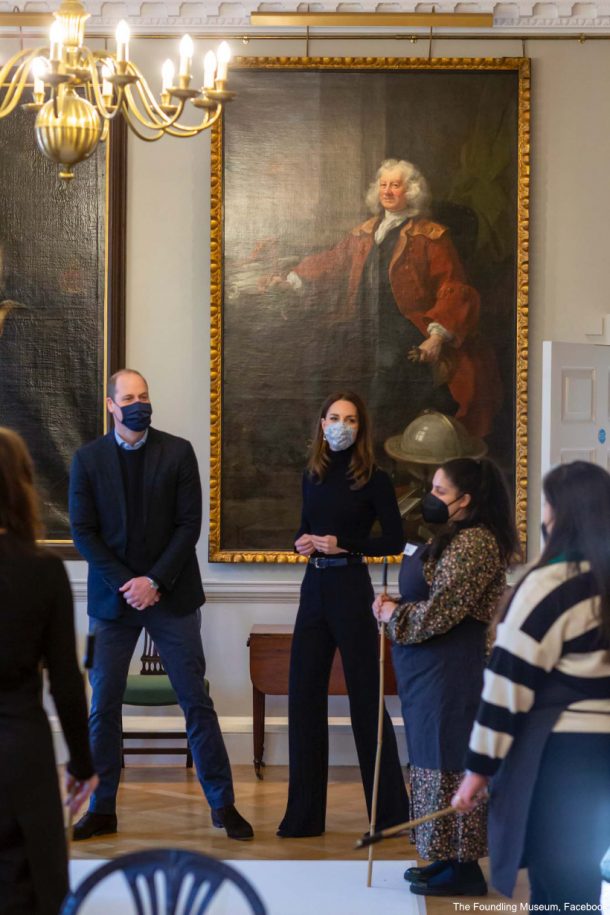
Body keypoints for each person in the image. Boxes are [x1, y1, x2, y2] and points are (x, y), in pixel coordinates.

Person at [68, 369, 253, 841]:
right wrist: (128, 583)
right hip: (111, 604)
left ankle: (223, 805)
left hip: (172, 597)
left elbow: (188, 526)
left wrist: (153, 581)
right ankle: (101, 807)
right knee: (102, 704)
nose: (138, 404)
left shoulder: (178, 451)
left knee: (196, 699)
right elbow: (83, 534)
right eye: (128, 397)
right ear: (111, 405)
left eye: (143, 396)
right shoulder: (87, 460)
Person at [453, 461, 610, 905]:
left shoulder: (550, 585)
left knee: (560, 889)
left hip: (564, 759)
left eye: (544, 503)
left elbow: (507, 685)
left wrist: (477, 771)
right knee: (588, 884)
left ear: (559, 513)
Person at [271, 159, 501, 441]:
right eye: (383, 185)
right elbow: (333, 260)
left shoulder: (430, 236)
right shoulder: (365, 232)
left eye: (395, 185)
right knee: (316, 355)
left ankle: (375, 447)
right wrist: (294, 277)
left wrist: (437, 336)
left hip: (408, 326)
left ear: (411, 191)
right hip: (359, 322)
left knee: (387, 366)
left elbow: (453, 287)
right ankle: (323, 439)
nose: (388, 191)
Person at [373, 457, 519, 897]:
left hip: (456, 672)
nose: (431, 498)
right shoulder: (453, 536)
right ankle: (442, 857)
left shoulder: (476, 543)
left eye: (440, 491)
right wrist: (396, 603)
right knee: (432, 762)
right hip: (429, 672)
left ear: (465, 501)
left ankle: (464, 867)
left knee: (451, 763)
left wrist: (393, 614)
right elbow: (436, 595)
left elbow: (443, 612)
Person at [277, 391, 409, 838]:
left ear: (360, 428)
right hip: (313, 587)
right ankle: (303, 817)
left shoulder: (375, 478)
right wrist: (302, 540)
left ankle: (390, 815)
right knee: (302, 697)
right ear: (321, 423)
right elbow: (304, 526)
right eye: (334, 417)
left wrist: (345, 545)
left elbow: (394, 541)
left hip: (352, 588)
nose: (340, 425)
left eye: (350, 419)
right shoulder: (311, 474)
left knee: (366, 701)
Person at [0, 427, 98, 915]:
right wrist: (83, 765)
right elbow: (66, 683)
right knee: (30, 889)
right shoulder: (43, 571)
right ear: (22, 486)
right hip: (21, 751)